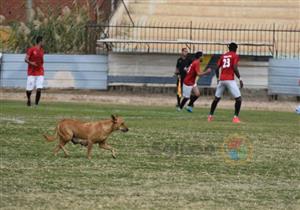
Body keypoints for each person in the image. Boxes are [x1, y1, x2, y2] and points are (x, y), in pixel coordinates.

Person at [208, 42, 244, 123]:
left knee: (216, 99)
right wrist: (240, 78)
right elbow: (234, 67)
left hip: (222, 80)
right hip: (230, 80)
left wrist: (217, 78)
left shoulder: (223, 56)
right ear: (235, 49)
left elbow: (217, 68)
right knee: (238, 99)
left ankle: (210, 116)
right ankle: (235, 118)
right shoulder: (235, 55)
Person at [25, 36, 45, 107]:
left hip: (40, 72)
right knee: (29, 90)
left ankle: (36, 104)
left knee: (39, 88)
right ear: (40, 42)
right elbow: (26, 59)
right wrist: (31, 63)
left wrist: (41, 64)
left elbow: (42, 60)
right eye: (43, 41)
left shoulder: (42, 50)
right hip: (31, 72)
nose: (44, 42)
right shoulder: (31, 49)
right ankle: (29, 99)